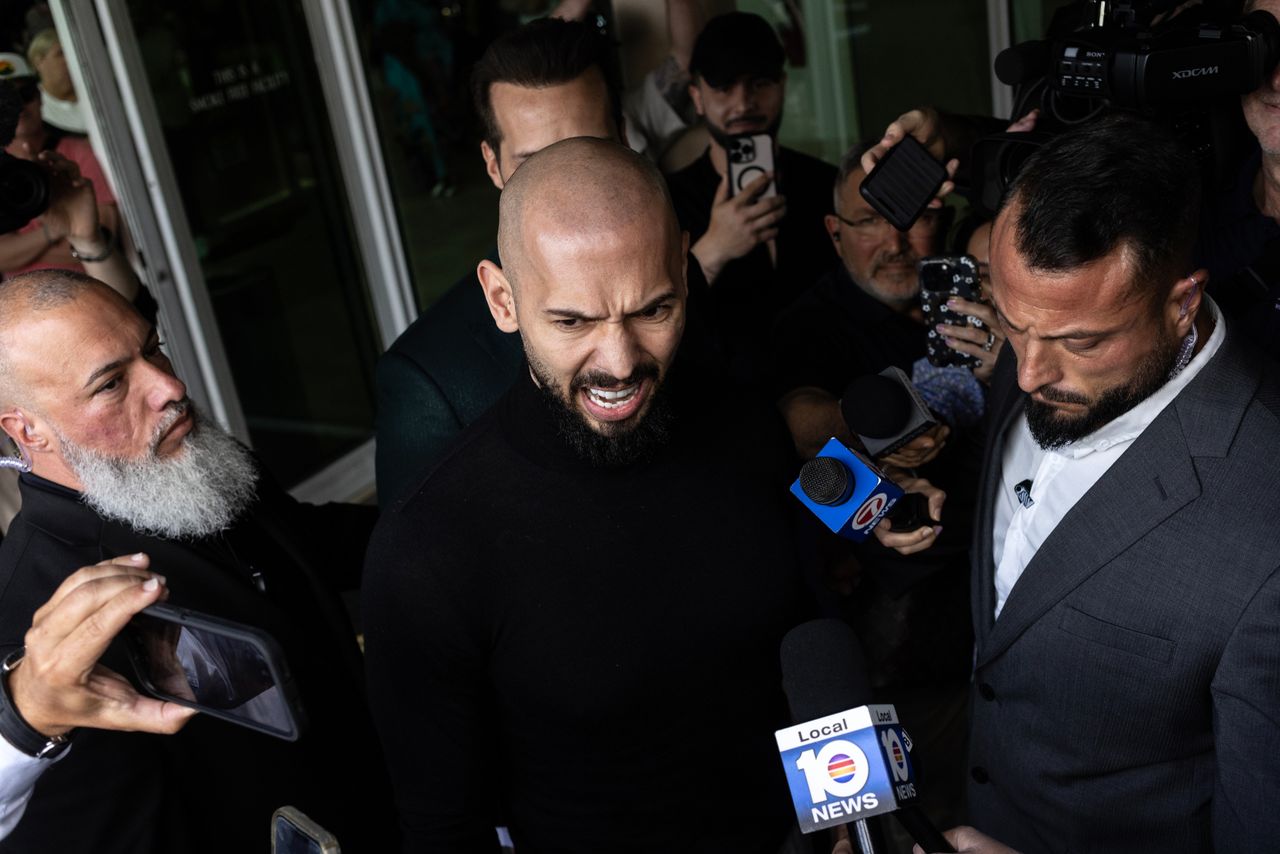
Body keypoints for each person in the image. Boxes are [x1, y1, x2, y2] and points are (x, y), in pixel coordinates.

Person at [364, 138, 808, 852]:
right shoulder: (430, 548)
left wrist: (851, 815)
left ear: (686, 271)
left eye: (653, 311)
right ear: (503, 299)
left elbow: (811, 649)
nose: (620, 362)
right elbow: (443, 828)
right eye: (572, 322)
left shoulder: (750, 430)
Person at [966, 114, 1280, 852]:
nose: (1029, 373)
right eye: (1013, 324)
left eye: (1081, 343)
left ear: (1182, 303)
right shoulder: (1040, 359)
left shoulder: (1267, 530)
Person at [0, 271, 396, 853]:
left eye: (152, 347)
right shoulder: (38, 626)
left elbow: (305, 542)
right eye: (111, 384)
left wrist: (455, 529)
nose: (170, 385)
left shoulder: (190, 458)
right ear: (27, 429)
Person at [374, 17, 623, 505]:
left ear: (626, 138)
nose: (568, 189)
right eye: (534, 164)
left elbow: (750, 443)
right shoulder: (426, 381)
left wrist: (824, 517)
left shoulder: (678, 287)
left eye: (590, 150)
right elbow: (417, 571)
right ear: (492, 165)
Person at [665, 11, 837, 382]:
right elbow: (653, 318)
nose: (744, 102)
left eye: (760, 83)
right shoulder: (666, 202)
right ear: (697, 96)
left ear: (783, 86)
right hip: (726, 411)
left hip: (829, 399)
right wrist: (714, 249)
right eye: (724, 88)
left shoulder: (828, 185)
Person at [0, 52, 126, 287]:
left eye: (25, 95)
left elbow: (106, 231)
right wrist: (55, 233)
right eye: (6, 102)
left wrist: (22, 247)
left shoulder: (79, 152)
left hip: (91, 289)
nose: (19, 108)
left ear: (39, 97)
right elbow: (2, 258)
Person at [26, 29, 85, 135]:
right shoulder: (31, 105)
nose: (70, 59)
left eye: (72, 52)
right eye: (61, 53)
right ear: (39, 62)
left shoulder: (98, 92)